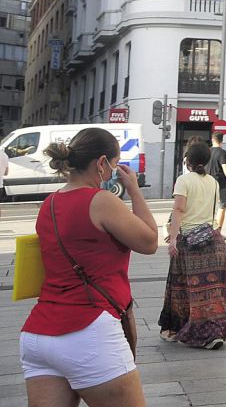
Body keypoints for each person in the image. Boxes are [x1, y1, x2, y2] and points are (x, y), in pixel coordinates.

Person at [20, 127, 158, 407]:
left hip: (38, 336)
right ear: (102, 163)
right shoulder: (101, 200)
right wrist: (134, 189)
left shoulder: (49, 203)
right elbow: (149, 241)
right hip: (87, 330)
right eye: (115, 164)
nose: (114, 172)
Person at [159, 138, 226, 348]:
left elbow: (179, 210)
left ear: (187, 160)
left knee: (180, 287)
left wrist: (172, 239)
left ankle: (178, 330)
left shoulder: (184, 180)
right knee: (212, 292)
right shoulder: (213, 182)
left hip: (191, 243)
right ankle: (214, 333)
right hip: (213, 241)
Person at [209, 132, 226, 233]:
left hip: (207, 182)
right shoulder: (222, 153)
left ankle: (206, 231)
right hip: (220, 183)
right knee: (222, 206)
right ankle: (217, 232)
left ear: (212, 140)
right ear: (222, 141)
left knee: (208, 207)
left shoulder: (207, 151)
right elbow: (225, 167)